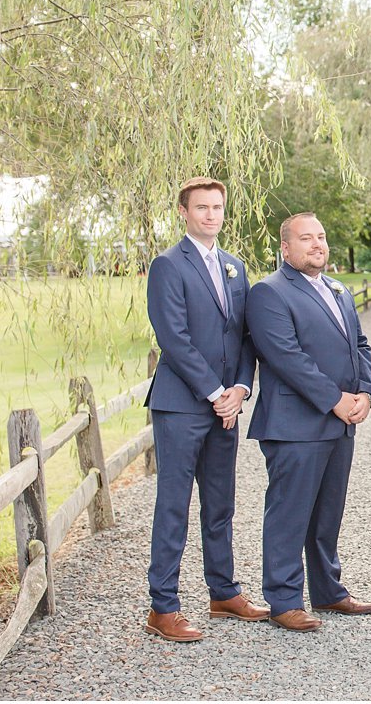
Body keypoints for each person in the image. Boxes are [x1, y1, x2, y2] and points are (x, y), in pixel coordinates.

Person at [143, 176, 266, 642]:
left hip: (226, 407)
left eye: (217, 207)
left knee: (220, 504)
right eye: (201, 208)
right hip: (182, 405)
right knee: (174, 506)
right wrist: (215, 393)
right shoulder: (168, 266)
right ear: (184, 212)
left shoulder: (234, 267)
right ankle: (163, 606)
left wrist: (239, 388)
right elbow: (173, 338)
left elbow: (245, 336)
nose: (210, 214)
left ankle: (223, 592)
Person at [246, 212, 371, 632]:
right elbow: (287, 358)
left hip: (341, 421)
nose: (317, 244)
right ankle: (283, 599)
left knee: (328, 512)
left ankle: (328, 591)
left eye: (321, 236)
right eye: (306, 238)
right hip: (295, 424)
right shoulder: (268, 293)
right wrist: (335, 399)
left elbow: (360, 343)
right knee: (290, 512)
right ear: (286, 248)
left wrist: (365, 393)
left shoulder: (338, 290)